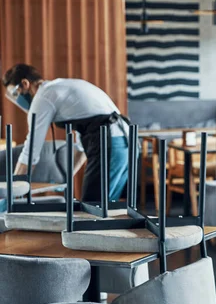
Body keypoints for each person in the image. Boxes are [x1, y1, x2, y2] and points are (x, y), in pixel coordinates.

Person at [2, 64, 130, 202]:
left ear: (25, 84)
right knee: (105, 207)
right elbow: (82, 144)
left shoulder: (43, 98)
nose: (17, 99)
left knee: (93, 209)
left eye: (16, 93)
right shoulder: (60, 87)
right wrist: (66, 177)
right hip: (125, 142)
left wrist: (11, 194)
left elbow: (30, 153)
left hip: (109, 142)